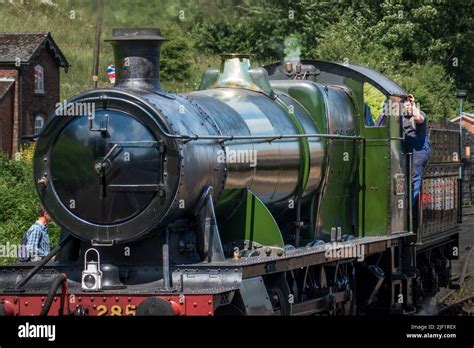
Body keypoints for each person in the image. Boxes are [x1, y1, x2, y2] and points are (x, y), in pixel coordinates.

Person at [402, 94, 431, 204]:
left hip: (418, 150)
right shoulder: (401, 117)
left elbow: (418, 118)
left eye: (410, 104)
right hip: (407, 148)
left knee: (414, 178)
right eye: (406, 104)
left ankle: (408, 206)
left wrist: (412, 104)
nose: (408, 106)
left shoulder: (419, 114)